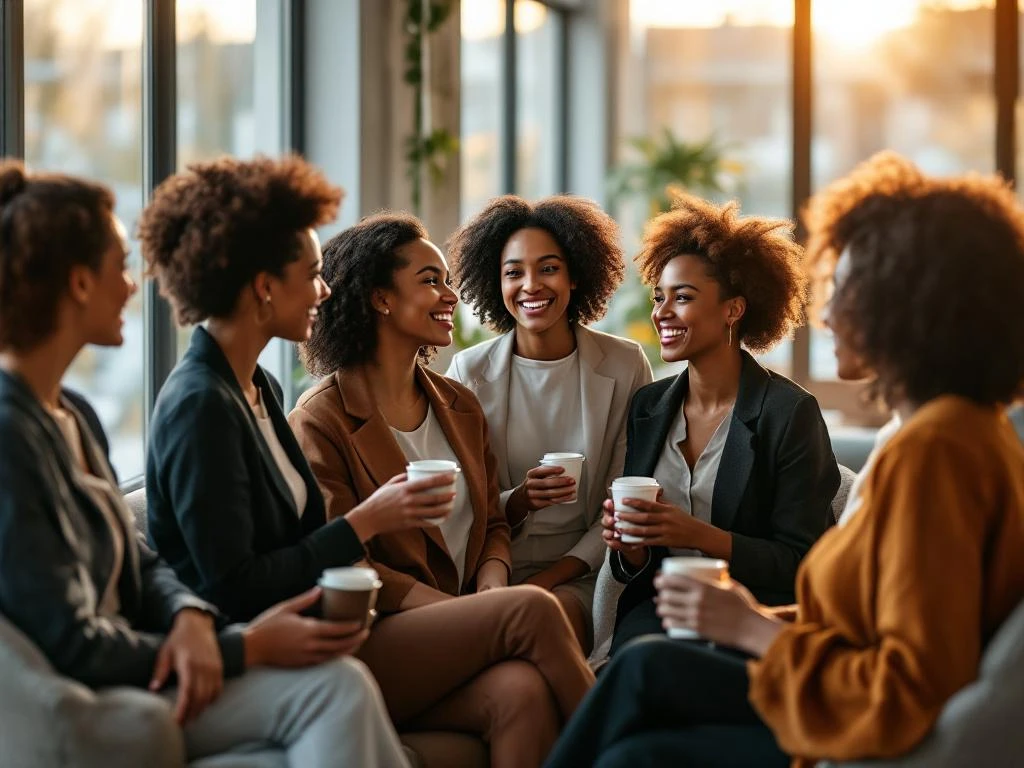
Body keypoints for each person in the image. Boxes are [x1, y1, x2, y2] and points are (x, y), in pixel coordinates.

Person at [544, 153, 1024, 768]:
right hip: (782, 660)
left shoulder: (939, 450)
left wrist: (748, 626)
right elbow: (874, 618)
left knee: (639, 712)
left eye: (844, 289)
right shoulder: (945, 433)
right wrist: (741, 612)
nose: (823, 315)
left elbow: (908, 683)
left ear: (906, 303)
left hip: (850, 720)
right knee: (640, 689)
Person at [0, 159, 410, 767]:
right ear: (80, 283)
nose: (136, 286)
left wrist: (189, 615)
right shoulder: (11, 436)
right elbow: (72, 640)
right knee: (339, 690)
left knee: (343, 686)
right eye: (119, 269)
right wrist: (237, 647)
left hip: (164, 653)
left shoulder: (73, 413)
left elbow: (139, 560)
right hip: (112, 690)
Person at [289, 211, 596, 768]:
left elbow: (495, 524)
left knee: (521, 694)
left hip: (457, 621)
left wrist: (490, 586)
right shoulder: (321, 421)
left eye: (447, 280)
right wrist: (476, 613)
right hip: (370, 637)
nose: (450, 295)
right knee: (530, 610)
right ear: (381, 299)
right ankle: (619, 742)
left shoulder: (458, 404)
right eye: (431, 280)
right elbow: (341, 560)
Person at [604, 192, 839, 655]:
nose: (662, 313)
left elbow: (804, 562)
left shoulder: (788, 413)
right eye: (659, 297)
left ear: (733, 309)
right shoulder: (648, 407)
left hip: (752, 614)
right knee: (635, 661)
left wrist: (696, 534)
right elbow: (642, 563)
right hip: (661, 609)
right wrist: (629, 545)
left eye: (683, 298)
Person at [445, 195, 653, 653]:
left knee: (539, 629)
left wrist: (547, 581)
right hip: (489, 570)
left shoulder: (624, 364)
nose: (531, 285)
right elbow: (465, 504)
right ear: (495, 282)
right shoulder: (467, 372)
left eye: (549, 268)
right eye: (513, 272)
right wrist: (518, 500)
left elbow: (625, 493)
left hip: (584, 574)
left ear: (576, 274)